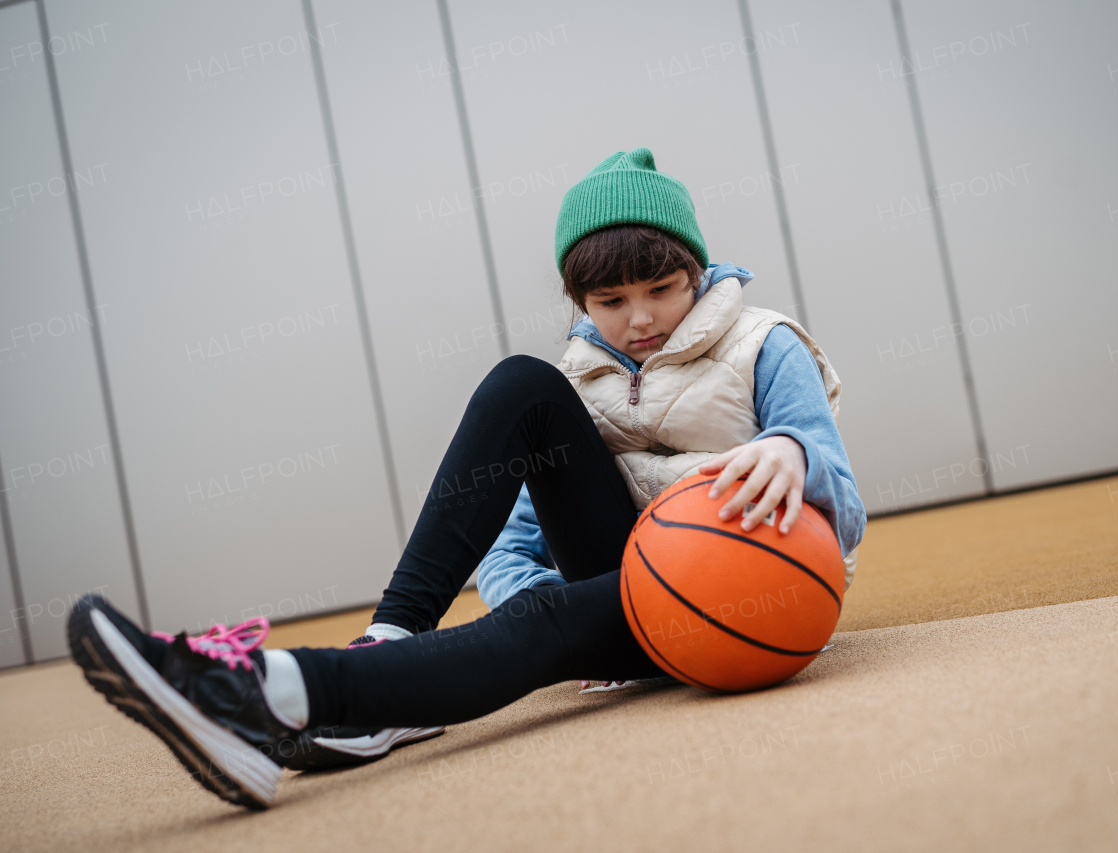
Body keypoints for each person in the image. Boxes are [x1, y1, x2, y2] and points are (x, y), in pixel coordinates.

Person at [68, 148, 866, 809]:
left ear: (696, 269)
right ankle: (390, 643)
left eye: (662, 287)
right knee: (520, 383)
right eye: (611, 299)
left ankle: (254, 690)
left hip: (745, 591)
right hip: (632, 572)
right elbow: (514, 545)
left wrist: (797, 452)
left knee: (557, 612)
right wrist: (531, 603)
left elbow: (848, 510)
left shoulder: (764, 344)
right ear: (580, 299)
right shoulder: (582, 372)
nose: (642, 317)